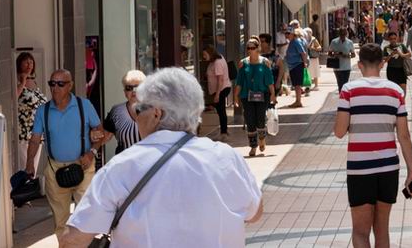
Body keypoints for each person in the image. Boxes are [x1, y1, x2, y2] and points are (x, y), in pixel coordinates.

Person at [60, 68, 262, 247]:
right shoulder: (226, 157)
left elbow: (73, 239)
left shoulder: (121, 167)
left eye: (139, 109)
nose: (136, 116)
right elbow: (255, 213)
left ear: (157, 114)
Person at [335, 43, 412, 248]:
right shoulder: (395, 91)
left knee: (360, 231)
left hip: (359, 168)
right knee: (382, 230)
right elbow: (404, 135)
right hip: (388, 168)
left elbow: (339, 131)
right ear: (382, 64)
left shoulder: (349, 90)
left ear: (359, 64)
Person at [24, 69, 105, 236]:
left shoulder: (84, 105)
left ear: (70, 86)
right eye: (52, 83)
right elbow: (35, 139)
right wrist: (30, 162)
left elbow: (100, 132)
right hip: (55, 170)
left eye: (60, 84)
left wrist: (91, 153)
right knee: (60, 222)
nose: (55, 88)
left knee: (85, 216)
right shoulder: (43, 110)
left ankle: (84, 245)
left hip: (83, 166)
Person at [233, 37, 276, 157]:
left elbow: (269, 80)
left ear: (258, 49)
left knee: (260, 119)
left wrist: (273, 94)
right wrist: (235, 96)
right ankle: (253, 146)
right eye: (248, 48)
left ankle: (262, 138)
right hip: (247, 95)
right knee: (250, 120)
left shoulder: (265, 63)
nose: (250, 50)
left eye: (252, 48)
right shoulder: (243, 63)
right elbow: (239, 81)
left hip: (262, 94)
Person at [15, 52, 47, 174]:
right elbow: (13, 99)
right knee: (25, 168)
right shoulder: (16, 79)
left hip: (37, 133)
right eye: (26, 62)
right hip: (23, 133)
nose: (29, 65)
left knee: (33, 167)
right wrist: (22, 82)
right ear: (20, 64)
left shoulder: (33, 81)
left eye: (31, 62)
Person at [103, 70, 146, 156]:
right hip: (125, 161)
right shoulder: (116, 111)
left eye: (137, 87)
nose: (133, 92)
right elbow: (105, 137)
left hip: (151, 161)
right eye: (129, 88)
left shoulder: (155, 109)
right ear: (125, 92)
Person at [203, 46, 232, 139]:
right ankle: (224, 130)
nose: (204, 56)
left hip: (221, 89)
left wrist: (217, 94)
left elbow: (220, 80)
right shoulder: (215, 61)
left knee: (221, 111)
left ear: (210, 53)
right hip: (219, 89)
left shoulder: (217, 62)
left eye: (205, 54)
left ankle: (224, 132)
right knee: (220, 111)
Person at [284, 27, 310, 108]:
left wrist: (305, 63)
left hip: (297, 65)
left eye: (288, 33)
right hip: (293, 66)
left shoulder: (296, 41)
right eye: (286, 33)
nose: (286, 35)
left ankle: (298, 101)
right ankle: (297, 101)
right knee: (296, 84)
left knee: (297, 84)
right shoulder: (291, 42)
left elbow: (303, 53)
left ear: (292, 34)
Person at [383, 31, 412, 95]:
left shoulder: (401, 46)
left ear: (397, 38)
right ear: (388, 39)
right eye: (391, 39)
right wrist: (391, 55)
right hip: (391, 70)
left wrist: (401, 54)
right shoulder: (386, 48)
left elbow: (409, 54)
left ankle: (402, 101)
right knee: (393, 90)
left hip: (401, 70)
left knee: (403, 90)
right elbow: (384, 60)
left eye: (394, 38)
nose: (393, 40)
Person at [329, 27, 356, 91]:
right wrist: (335, 55)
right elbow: (329, 53)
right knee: (340, 85)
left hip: (346, 67)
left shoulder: (350, 42)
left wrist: (347, 56)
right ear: (339, 34)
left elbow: (353, 55)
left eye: (344, 34)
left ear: (346, 34)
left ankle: (344, 96)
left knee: (345, 85)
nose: (343, 36)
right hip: (337, 67)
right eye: (341, 34)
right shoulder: (334, 42)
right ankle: (341, 96)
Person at [305, 26, 323, 91]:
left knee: (315, 72)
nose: (306, 34)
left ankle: (316, 85)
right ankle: (308, 85)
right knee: (308, 72)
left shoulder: (313, 39)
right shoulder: (304, 39)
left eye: (307, 33)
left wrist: (313, 48)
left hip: (314, 58)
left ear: (310, 33)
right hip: (307, 58)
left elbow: (320, 48)